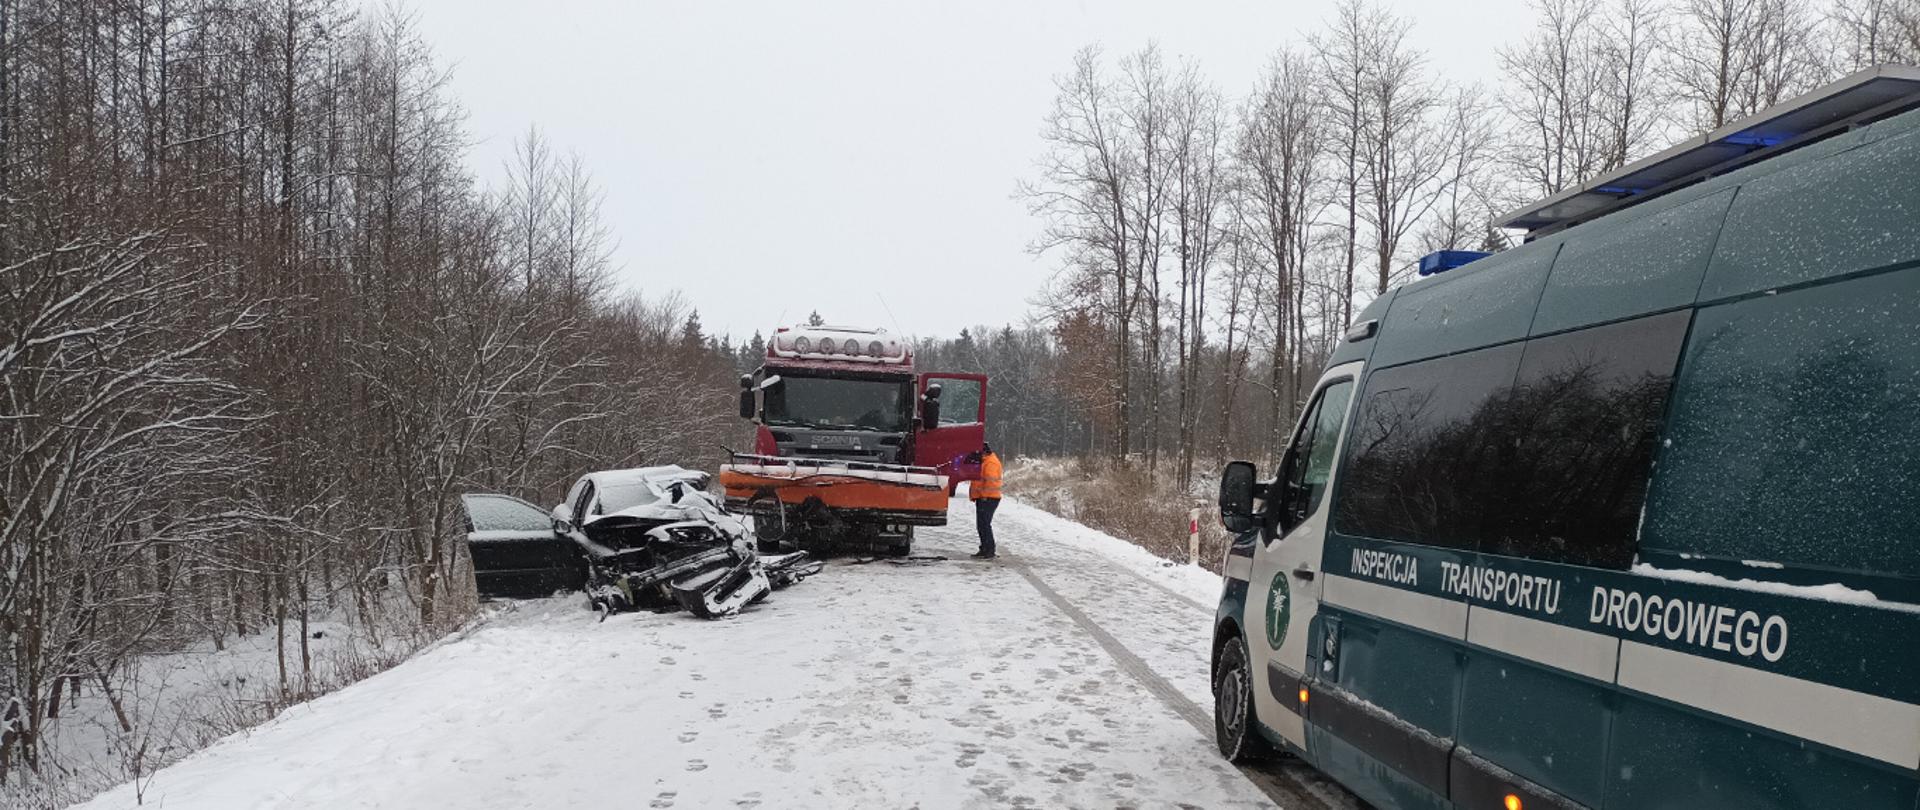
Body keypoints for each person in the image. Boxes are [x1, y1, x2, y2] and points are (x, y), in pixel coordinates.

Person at [969, 442, 1002, 559]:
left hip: (989, 498)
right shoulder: (984, 461)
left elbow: (991, 482)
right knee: (981, 525)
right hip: (984, 497)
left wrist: (983, 496)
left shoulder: (990, 463)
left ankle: (989, 550)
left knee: (985, 525)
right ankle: (984, 549)